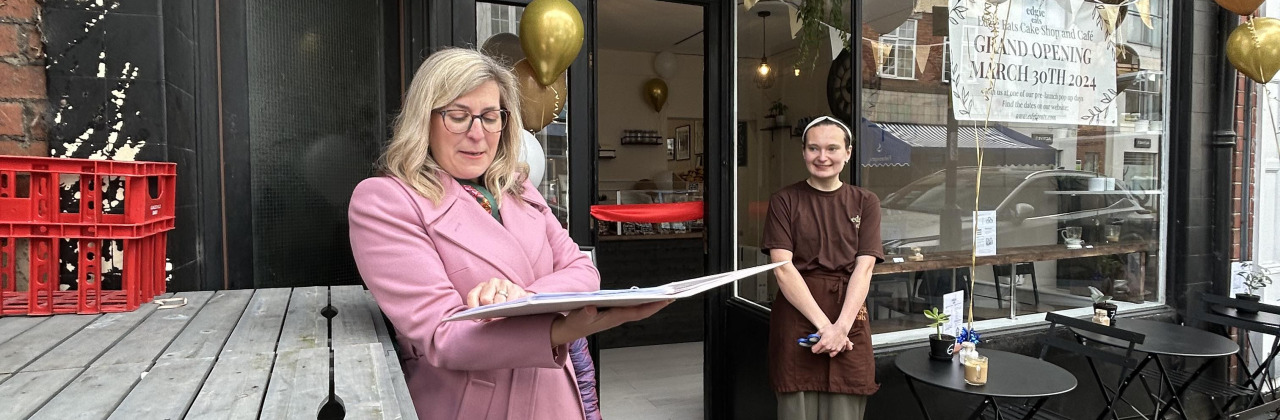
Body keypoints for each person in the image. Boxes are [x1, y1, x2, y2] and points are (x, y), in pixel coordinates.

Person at [348, 48, 667, 420]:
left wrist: (523, 298)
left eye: (490, 116)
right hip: (475, 408)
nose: (477, 134)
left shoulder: (516, 185)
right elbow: (442, 335)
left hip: (558, 398)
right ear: (424, 119)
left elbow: (583, 271)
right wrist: (556, 328)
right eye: (458, 116)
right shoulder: (385, 201)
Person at [760, 116, 884, 420]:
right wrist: (826, 328)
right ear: (803, 152)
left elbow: (865, 268)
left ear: (848, 152)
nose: (822, 157)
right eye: (813, 148)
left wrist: (840, 328)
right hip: (798, 314)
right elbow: (783, 269)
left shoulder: (865, 202)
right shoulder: (784, 201)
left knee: (845, 408)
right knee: (796, 409)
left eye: (832, 148)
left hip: (849, 316)